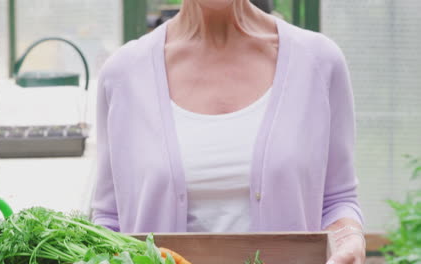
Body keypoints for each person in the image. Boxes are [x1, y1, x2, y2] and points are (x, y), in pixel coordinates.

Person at [92, 0, 366, 263]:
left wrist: (349, 239)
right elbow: (109, 219)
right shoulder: (123, 74)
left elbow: (337, 201)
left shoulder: (318, 62)